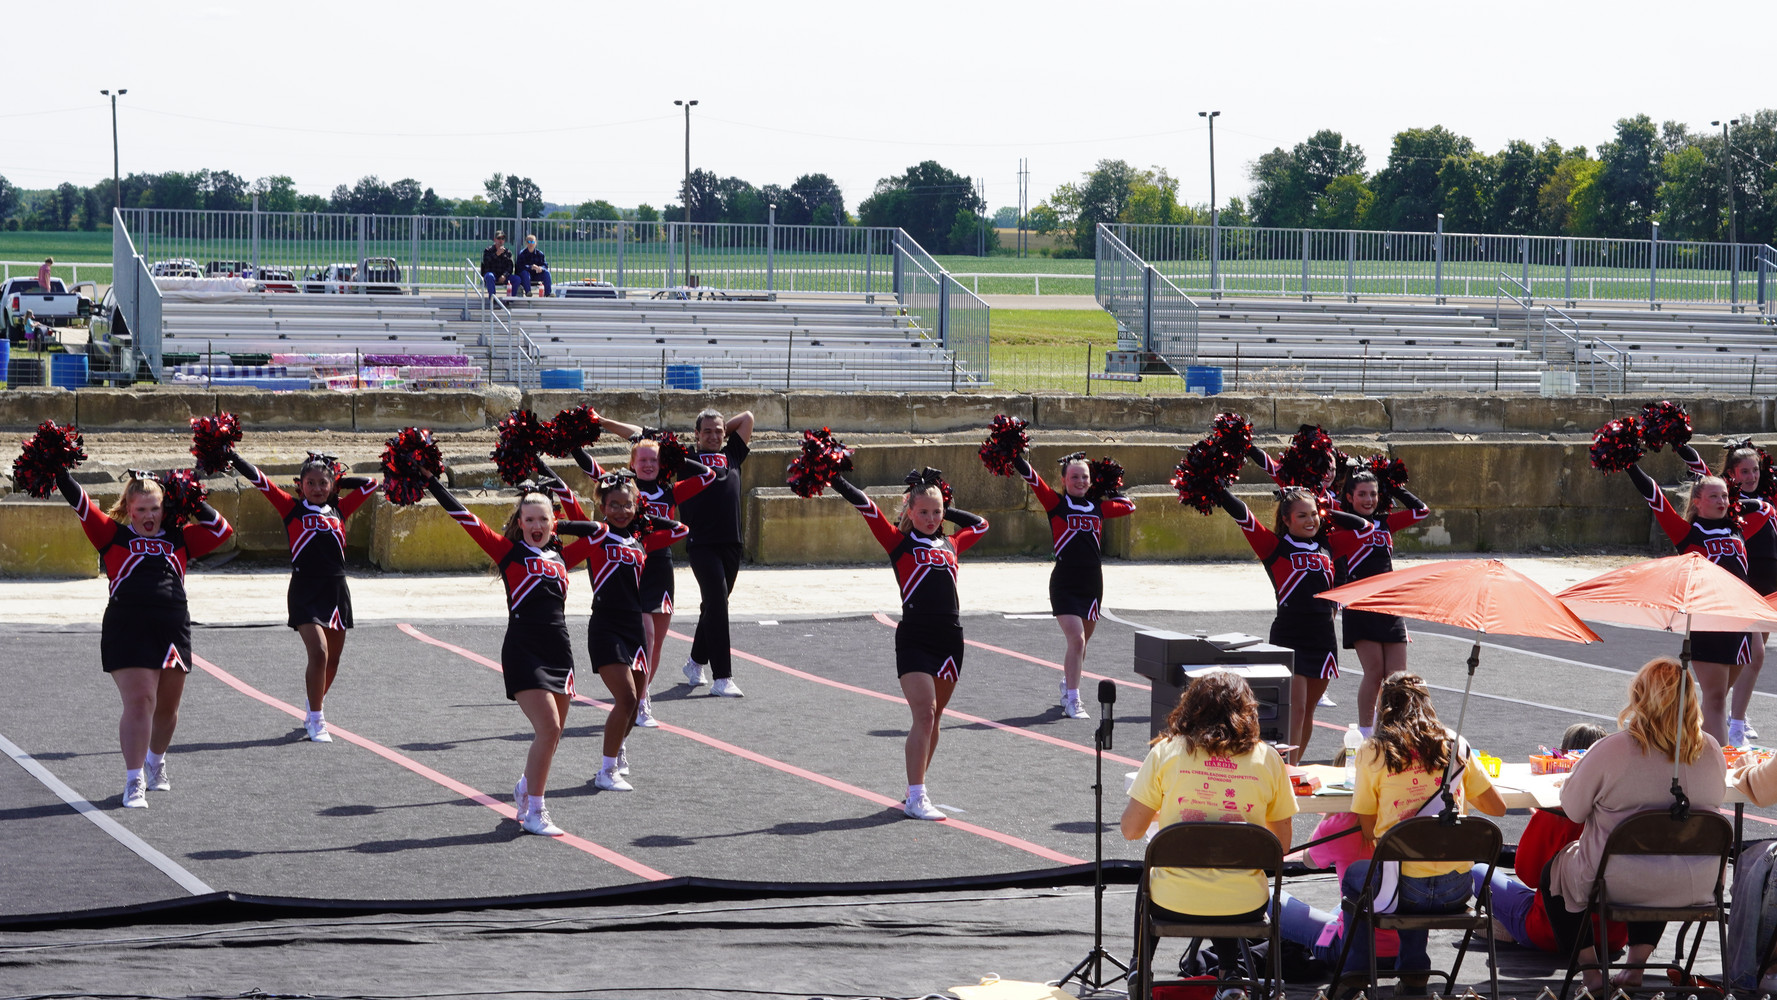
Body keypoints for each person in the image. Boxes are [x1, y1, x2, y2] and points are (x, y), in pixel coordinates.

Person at [426, 474, 603, 836]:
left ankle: (525, 787)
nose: (536, 526)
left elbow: (600, 532)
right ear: (519, 523)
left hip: (559, 650)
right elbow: (464, 517)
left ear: (552, 522)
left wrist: (558, 524)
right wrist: (431, 481)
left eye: (543, 520)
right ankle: (535, 811)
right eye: (529, 519)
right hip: (524, 649)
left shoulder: (562, 556)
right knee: (548, 728)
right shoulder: (509, 553)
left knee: (554, 735)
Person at [1543, 657, 1727, 992]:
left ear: (1640, 697)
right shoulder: (1711, 749)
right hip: (1695, 883)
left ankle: (1591, 973)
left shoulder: (1612, 748)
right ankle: (1635, 967)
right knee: (1662, 857)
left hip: (1616, 880)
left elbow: (1573, 809)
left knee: (1553, 873)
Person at [56, 469, 234, 808]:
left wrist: (190, 498)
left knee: (167, 708)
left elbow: (221, 530)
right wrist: (58, 470)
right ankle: (133, 779)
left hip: (172, 628)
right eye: (141, 509)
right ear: (129, 509)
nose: (149, 516)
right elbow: (80, 502)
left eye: (155, 508)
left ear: (165, 509)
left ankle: (155, 761)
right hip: (129, 627)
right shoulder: (112, 535)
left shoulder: (180, 538)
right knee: (141, 701)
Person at [1121, 669, 1306, 994]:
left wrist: (1172, 811)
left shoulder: (1167, 751)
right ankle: (1229, 973)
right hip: (1245, 904)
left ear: (1190, 707)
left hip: (1173, 901)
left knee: (1148, 877)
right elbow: (1281, 845)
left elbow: (1131, 830)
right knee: (1227, 872)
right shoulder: (1268, 759)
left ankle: (1141, 966)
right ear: (1248, 711)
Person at [829, 468, 989, 820]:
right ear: (909, 513)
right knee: (924, 713)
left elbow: (981, 524)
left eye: (937, 512)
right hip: (915, 637)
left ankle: (914, 788)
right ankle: (917, 797)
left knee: (935, 718)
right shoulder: (898, 544)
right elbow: (868, 507)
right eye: (924, 512)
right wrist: (836, 480)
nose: (931, 518)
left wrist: (944, 505)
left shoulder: (952, 543)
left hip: (950, 639)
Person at [1339, 674, 1507, 989]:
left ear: (1383, 706)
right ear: (1427, 702)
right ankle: (1413, 972)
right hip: (1456, 890)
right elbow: (1497, 808)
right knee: (1414, 863)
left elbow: (1368, 828)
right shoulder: (1456, 745)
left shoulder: (1373, 751)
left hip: (1401, 889)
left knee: (1365, 874)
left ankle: (1357, 975)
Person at [559, 421, 714, 729]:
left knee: (656, 641)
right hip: (630, 567)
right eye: (642, 460)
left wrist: (677, 456)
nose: (647, 464)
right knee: (646, 634)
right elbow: (590, 468)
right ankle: (638, 698)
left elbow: (708, 475)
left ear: (661, 463)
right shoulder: (623, 488)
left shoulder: (670, 491)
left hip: (659, 566)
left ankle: (642, 695)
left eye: (654, 459)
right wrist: (571, 443)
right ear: (632, 463)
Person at [229, 449, 378, 743]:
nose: (317, 488)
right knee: (319, 652)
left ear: (332, 485)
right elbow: (260, 481)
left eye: (323, 483)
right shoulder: (291, 509)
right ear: (301, 485)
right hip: (305, 590)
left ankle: (312, 707)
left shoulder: (340, 510)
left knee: (333, 660)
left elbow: (371, 484)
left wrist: (339, 481)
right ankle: (317, 720)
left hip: (336, 590)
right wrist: (231, 456)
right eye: (311, 483)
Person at [562, 470, 697, 791]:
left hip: (634, 627)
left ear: (637, 506)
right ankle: (606, 770)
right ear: (603, 507)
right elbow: (568, 517)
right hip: (606, 625)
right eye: (614, 505)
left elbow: (680, 529)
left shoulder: (641, 539)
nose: (621, 511)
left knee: (634, 705)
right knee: (625, 699)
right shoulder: (597, 537)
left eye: (627, 505)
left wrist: (644, 517)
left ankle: (617, 747)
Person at [1623, 457, 1775, 742]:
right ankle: (1719, 760)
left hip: (1741, 623)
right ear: (1697, 502)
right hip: (1710, 621)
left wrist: (1739, 502)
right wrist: (1630, 465)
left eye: (1725, 496)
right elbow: (1654, 496)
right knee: (1716, 700)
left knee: (1716, 699)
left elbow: (1765, 509)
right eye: (1714, 496)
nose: (1721, 501)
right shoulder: (1688, 533)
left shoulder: (1737, 528)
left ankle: (1683, 741)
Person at [1214, 484, 1366, 763]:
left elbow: (1364, 528)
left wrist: (1326, 510)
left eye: (1313, 514)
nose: (1311, 521)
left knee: (1308, 712)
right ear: (1286, 519)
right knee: (1295, 709)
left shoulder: (1328, 545)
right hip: (1290, 636)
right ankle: (1284, 770)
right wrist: (1219, 491)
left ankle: (1292, 768)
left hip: (1323, 639)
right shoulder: (1274, 547)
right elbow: (1244, 517)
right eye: (1302, 515)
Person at [1470, 724, 1628, 955]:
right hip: (1613, 935)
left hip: (1549, 931)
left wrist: (1541, 819)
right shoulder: (1624, 808)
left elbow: (1527, 873)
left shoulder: (1556, 811)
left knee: (1478, 872)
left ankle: (1510, 929)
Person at [1012, 450, 1135, 719]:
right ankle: (1073, 699)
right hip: (1065, 582)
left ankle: (1068, 683)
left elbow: (1128, 506)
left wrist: (1109, 486)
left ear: (1091, 480)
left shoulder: (1098, 507)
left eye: (1085, 477)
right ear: (1064, 480)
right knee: (1077, 640)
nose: (1080, 481)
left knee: (1082, 644)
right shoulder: (1055, 503)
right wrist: (1015, 456)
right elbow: (1033, 479)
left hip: (1092, 584)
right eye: (1074, 477)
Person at [1328, 470, 1430, 737]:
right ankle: (1365, 734)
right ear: (1349, 497)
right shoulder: (1341, 525)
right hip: (1360, 603)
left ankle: (1395, 730)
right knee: (1374, 673)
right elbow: (1323, 511)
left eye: (1373, 493)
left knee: (1397, 676)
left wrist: (1392, 485)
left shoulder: (1384, 522)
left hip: (1390, 604)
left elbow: (1421, 511)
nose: (1369, 499)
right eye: (1362, 494)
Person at [1687, 441, 1775, 746]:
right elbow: (1703, 475)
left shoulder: (1764, 497)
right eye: (1744, 471)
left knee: (1751, 660)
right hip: (1740, 591)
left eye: (1755, 470)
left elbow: (1766, 509)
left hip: (1765, 584)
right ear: (1731, 475)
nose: (1751, 476)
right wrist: (1679, 444)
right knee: (1753, 656)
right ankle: (1733, 724)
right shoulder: (1727, 509)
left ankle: (1722, 721)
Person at [676, 408, 755, 698]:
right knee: (718, 603)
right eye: (706, 431)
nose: (713, 436)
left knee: (713, 604)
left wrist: (721, 430)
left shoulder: (732, 453)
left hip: (731, 542)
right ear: (696, 434)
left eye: (718, 431)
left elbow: (747, 417)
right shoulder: (686, 458)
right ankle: (722, 677)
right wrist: (707, 433)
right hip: (701, 543)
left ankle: (695, 663)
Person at [480, 231, 514, 300]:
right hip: (492, 274)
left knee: (517, 279)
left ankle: (510, 300)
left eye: (503, 238)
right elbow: (486, 263)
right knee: (489, 276)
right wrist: (496, 254)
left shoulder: (508, 252)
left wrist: (504, 275)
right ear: (495, 239)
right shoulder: (488, 250)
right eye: (499, 238)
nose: (501, 240)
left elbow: (510, 267)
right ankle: (492, 298)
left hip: (503, 276)